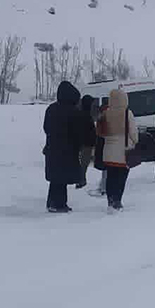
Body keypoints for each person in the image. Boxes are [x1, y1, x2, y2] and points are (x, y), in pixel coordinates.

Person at [43, 81, 84, 213]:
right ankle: (58, 204)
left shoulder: (51, 109)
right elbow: (77, 132)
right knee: (62, 178)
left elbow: (46, 128)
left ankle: (53, 202)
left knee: (56, 178)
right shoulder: (74, 112)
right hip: (67, 150)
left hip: (52, 148)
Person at [96, 89, 138, 210]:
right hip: (123, 152)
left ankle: (110, 201)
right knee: (121, 177)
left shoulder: (105, 113)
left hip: (108, 151)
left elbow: (100, 132)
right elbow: (133, 132)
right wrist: (135, 142)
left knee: (111, 177)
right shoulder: (127, 113)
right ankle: (117, 200)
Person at [76, 94, 97, 189]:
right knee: (84, 163)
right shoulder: (85, 115)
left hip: (85, 143)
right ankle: (80, 181)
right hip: (86, 143)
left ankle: (81, 180)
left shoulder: (83, 113)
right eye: (92, 102)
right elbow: (87, 130)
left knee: (84, 163)